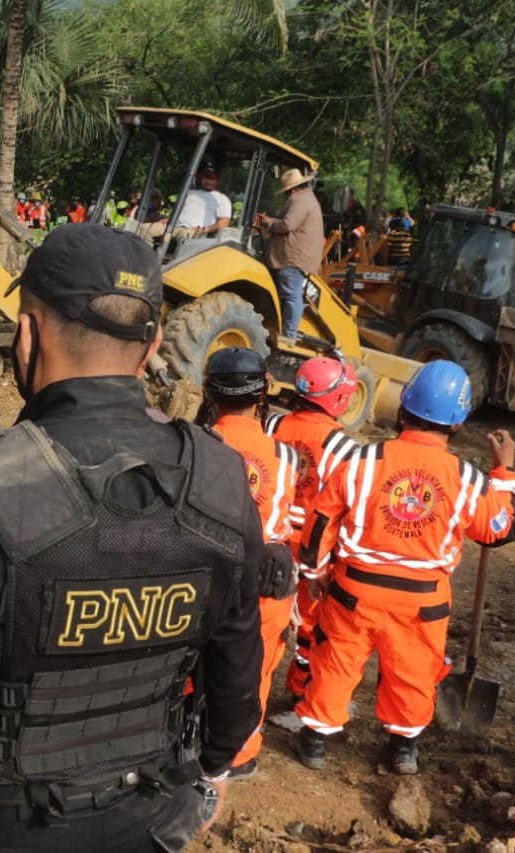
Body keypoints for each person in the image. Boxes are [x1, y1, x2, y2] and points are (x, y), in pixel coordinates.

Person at [0, 223, 264, 853]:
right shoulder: (220, 478)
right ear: (153, 346)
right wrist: (216, 762)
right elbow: (236, 650)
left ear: (27, 333)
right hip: (149, 816)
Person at [293, 360, 515, 775]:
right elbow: (499, 529)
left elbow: (320, 521)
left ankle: (315, 741)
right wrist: (503, 473)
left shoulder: (361, 461)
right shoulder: (468, 479)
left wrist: (316, 572)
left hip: (353, 592)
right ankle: (403, 749)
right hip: (423, 604)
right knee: (413, 672)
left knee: (336, 663)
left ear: (402, 409)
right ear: (457, 424)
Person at [200, 347, 299, 782]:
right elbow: (291, 520)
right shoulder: (286, 457)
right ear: (262, 393)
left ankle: (186, 744)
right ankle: (239, 754)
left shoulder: (196, 444)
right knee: (253, 669)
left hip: (203, 573)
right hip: (263, 582)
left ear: (210, 392)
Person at [263, 357, 360, 702]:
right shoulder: (345, 448)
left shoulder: (272, 424)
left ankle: (251, 682)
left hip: (267, 539)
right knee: (310, 626)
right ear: (340, 398)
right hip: (312, 551)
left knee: (258, 619)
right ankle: (299, 689)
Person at [255, 168, 325, 342]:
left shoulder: (299, 200)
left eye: (286, 192)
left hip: (291, 257)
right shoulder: (306, 199)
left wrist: (267, 222)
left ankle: (289, 338)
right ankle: (287, 334)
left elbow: (287, 225)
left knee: (291, 295)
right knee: (291, 295)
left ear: (292, 189)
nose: (286, 195)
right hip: (296, 257)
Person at [174, 156, 232, 237]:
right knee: (150, 228)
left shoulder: (222, 199)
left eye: (211, 178)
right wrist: (167, 220)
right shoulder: (189, 192)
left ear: (217, 181)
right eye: (206, 177)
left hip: (195, 232)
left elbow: (223, 223)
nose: (208, 181)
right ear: (201, 178)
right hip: (174, 227)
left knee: (184, 235)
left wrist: (205, 229)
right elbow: (177, 211)